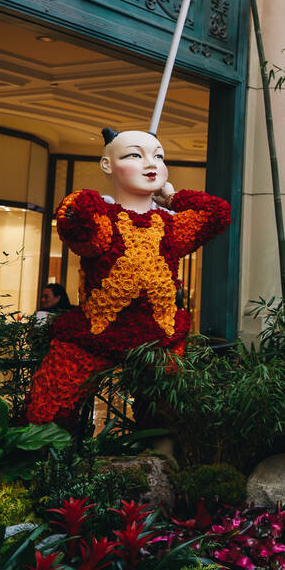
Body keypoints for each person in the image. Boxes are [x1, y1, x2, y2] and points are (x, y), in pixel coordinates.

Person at [26, 127, 229, 426]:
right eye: (135, 154)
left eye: (158, 156)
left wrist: (171, 198)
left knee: (169, 418)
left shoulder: (169, 227)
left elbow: (216, 213)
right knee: (47, 414)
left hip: (159, 340)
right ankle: (42, 463)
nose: (151, 164)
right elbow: (76, 223)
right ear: (107, 165)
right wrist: (88, 205)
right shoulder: (104, 221)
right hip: (95, 335)